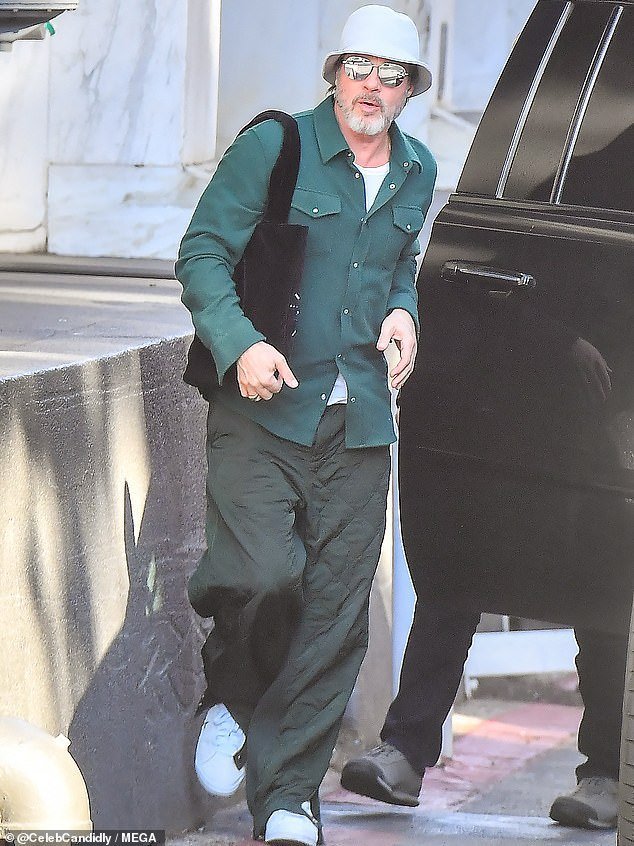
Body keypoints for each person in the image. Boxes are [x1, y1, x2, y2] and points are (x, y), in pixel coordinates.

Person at [175, 6, 436, 845]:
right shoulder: (275, 146)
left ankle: (289, 798)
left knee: (333, 618)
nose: (373, 87)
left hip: (359, 424)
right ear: (334, 73)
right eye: (360, 68)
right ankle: (234, 696)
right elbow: (202, 253)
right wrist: (240, 343)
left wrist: (403, 313)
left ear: (409, 89)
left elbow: (400, 266)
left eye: (391, 75)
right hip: (262, 409)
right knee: (260, 578)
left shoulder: (417, 169)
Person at [341, 335, 628, 832]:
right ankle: (406, 747)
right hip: (491, 384)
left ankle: (607, 772)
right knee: (457, 563)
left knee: (600, 579)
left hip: (598, 390)